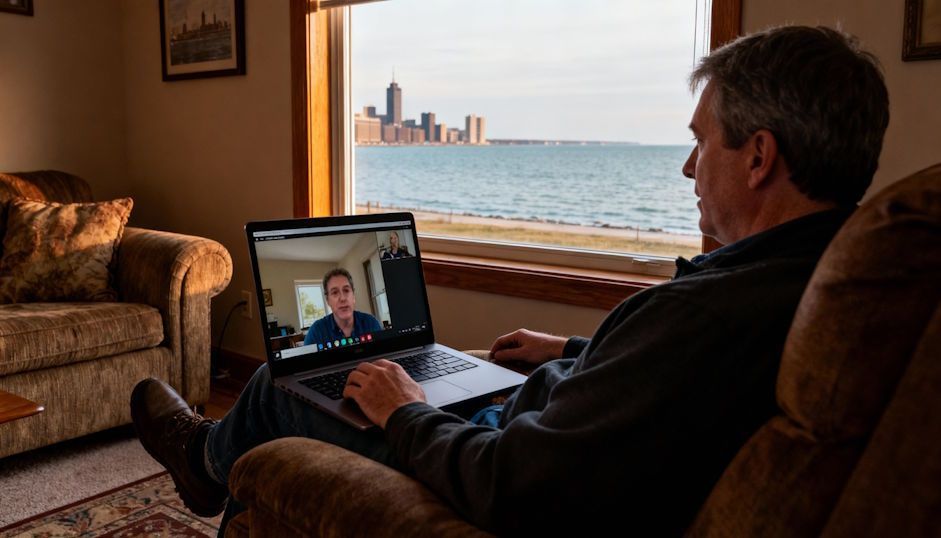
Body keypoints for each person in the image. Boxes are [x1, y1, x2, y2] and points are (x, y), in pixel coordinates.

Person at [130, 26, 889, 536]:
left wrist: (403, 412)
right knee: (376, 369)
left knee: (279, 382)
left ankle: (204, 464)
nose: (688, 168)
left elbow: (511, 484)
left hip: (491, 461)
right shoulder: (828, 279)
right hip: (548, 422)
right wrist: (573, 347)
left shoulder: (707, 312)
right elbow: (673, 380)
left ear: (757, 157)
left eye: (699, 143)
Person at [302, 268, 382, 346]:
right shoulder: (316, 332)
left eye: (346, 290)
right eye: (335, 292)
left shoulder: (371, 323)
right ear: (328, 300)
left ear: (353, 296)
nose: (343, 298)